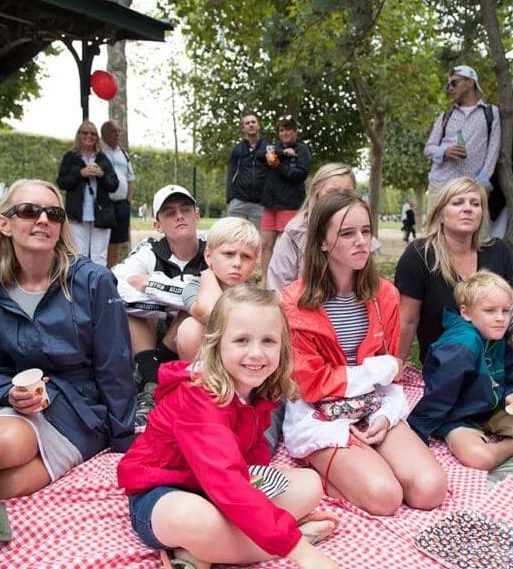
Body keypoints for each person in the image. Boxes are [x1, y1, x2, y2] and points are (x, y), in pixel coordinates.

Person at [117, 286, 343, 569]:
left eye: (268, 341)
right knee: (198, 520)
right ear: (217, 344)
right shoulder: (198, 396)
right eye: (241, 341)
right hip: (161, 494)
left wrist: (259, 488)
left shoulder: (255, 389)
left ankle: (203, 553)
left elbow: (249, 459)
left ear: (283, 346)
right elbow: (227, 482)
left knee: (308, 484)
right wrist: (299, 550)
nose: (256, 353)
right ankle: (263, 543)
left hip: (215, 491)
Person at [282, 192, 447, 515]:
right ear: (323, 242)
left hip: (373, 404)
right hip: (319, 414)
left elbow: (393, 375)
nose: (361, 241)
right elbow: (311, 384)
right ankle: (323, 466)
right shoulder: (294, 301)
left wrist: (386, 415)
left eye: (366, 231)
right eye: (347, 233)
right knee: (385, 497)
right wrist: (378, 369)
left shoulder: (384, 293)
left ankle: (364, 461)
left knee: (431, 490)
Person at [0, 179, 135, 499]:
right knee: (1, 470)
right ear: (4, 224)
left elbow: (116, 366)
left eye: (54, 214)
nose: (43, 220)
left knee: (3, 458)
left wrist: (124, 443)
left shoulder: (94, 281)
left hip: (81, 414)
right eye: (29, 211)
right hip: (24, 408)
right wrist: (9, 394)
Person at [112, 184, 207, 427]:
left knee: (192, 315)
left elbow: (225, 302)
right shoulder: (149, 251)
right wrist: (182, 301)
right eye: (169, 212)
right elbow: (115, 285)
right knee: (134, 313)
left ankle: (152, 378)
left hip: (201, 340)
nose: (179, 216)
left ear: (197, 216)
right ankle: (151, 384)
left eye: (185, 209)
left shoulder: (214, 247)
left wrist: (155, 286)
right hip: (156, 335)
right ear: (157, 225)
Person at [395, 177, 513, 368]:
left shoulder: (499, 251)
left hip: (498, 368)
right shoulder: (419, 255)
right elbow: (407, 320)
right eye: (458, 202)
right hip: (445, 372)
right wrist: (397, 363)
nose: (468, 208)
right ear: (440, 214)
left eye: (475, 204)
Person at [407, 272, 513, 470]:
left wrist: (509, 392)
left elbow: (509, 371)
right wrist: (417, 432)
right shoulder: (461, 347)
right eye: (490, 310)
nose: (500, 318)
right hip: (458, 417)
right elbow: (439, 394)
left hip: (491, 409)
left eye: (506, 311)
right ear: (466, 312)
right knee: (479, 458)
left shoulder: (495, 335)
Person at [175, 217, 260, 361]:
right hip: (208, 358)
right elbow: (211, 313)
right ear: (208, 256)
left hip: (245, 357)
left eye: (246, 257)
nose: (237, 263)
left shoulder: (255, 295)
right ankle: (196, 378)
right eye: (229, 254)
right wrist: (207, 274)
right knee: (189, 328)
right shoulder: (195, 287)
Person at [266, 163, 358, 292]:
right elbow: (278, 287)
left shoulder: (361, 233)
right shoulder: (296, 232)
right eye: (332, 192)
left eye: (347, 193)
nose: (340, 198)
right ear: (316, 192)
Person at [423, 66, 501, 217]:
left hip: (471, 190)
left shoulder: (490, 113)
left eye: (454, 83)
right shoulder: (445, 116)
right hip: (440, 186)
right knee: (434, 237)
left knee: (474, 238)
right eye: (448, 85)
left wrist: (480, 184)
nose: (450, 89)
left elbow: (493, 150)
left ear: (470, 83)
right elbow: (428, 148)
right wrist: (444, 152)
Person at [56, 120, 120, 266]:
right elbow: (62, 182)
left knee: (99, 257)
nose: (89, 136)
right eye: (85, 132)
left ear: (97, 137)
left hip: (101, 214)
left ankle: (99, 286)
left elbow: (114, 185)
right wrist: (81, 173)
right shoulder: (70, 157)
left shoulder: (103, 158)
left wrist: (102, 174)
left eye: (93, 133)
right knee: (78, 254)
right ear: (79, 135)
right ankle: (79, 286)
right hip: (77, 214)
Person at [260, 115, 311, 277]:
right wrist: (283, 153)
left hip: (289, 204)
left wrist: (279, 166)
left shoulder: (302, 150)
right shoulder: (274, 148)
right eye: (281, 130)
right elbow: (261, 155)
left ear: (295, 131)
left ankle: (286, 281)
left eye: (288, 129)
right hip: (270, 204)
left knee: (287, 246)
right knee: (266, 245)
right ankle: (265, 282)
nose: (285, 133)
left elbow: (300, 174)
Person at [100, 119, 135, 267]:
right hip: (105, 203)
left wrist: (128, 200)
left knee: (115, 240)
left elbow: (130, 178)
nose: (117, 134)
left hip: (121, 204)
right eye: (113, 131)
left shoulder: (124, 155)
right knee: (101, 239)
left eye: (118, 131)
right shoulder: (99, 153)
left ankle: (110, 269)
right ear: (104, 134)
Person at [226, 112, 269, 230]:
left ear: (258, 125)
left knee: (258, 242)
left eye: (253, 122)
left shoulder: (268, 147)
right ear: (243, 128)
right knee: (234, 237)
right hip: (239, 201)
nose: (251, 125)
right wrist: (230, 197)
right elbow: (231, 173)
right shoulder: (237, 149)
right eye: (247, 123)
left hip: (260, 203)